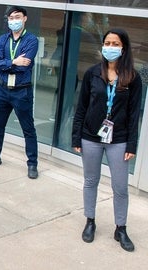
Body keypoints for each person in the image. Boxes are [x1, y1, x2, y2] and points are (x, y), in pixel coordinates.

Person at [72, 28, 142, 252]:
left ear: (123, 48)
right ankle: (90, 221)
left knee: (120, 187)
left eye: (115, 43)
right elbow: (81, 107)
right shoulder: (92, 73)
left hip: (119, 140)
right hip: (90, 137)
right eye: (107, 43)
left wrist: (132, 144)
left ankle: (120, 228)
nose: (110, 47)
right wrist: (76, 137)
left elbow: (133, 114)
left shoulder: (132, 77)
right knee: (90, 181)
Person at [0, 6, 39, 179]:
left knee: (28, 129)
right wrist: (13, 62)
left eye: (17, 17)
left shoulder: (31, 40)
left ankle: (32, 163)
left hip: (22, 91)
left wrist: (8, 64)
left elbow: (25, 64)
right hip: (3, 89)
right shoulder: (3, 40)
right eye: (10, 18)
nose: (13, 21)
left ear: (25, 18)